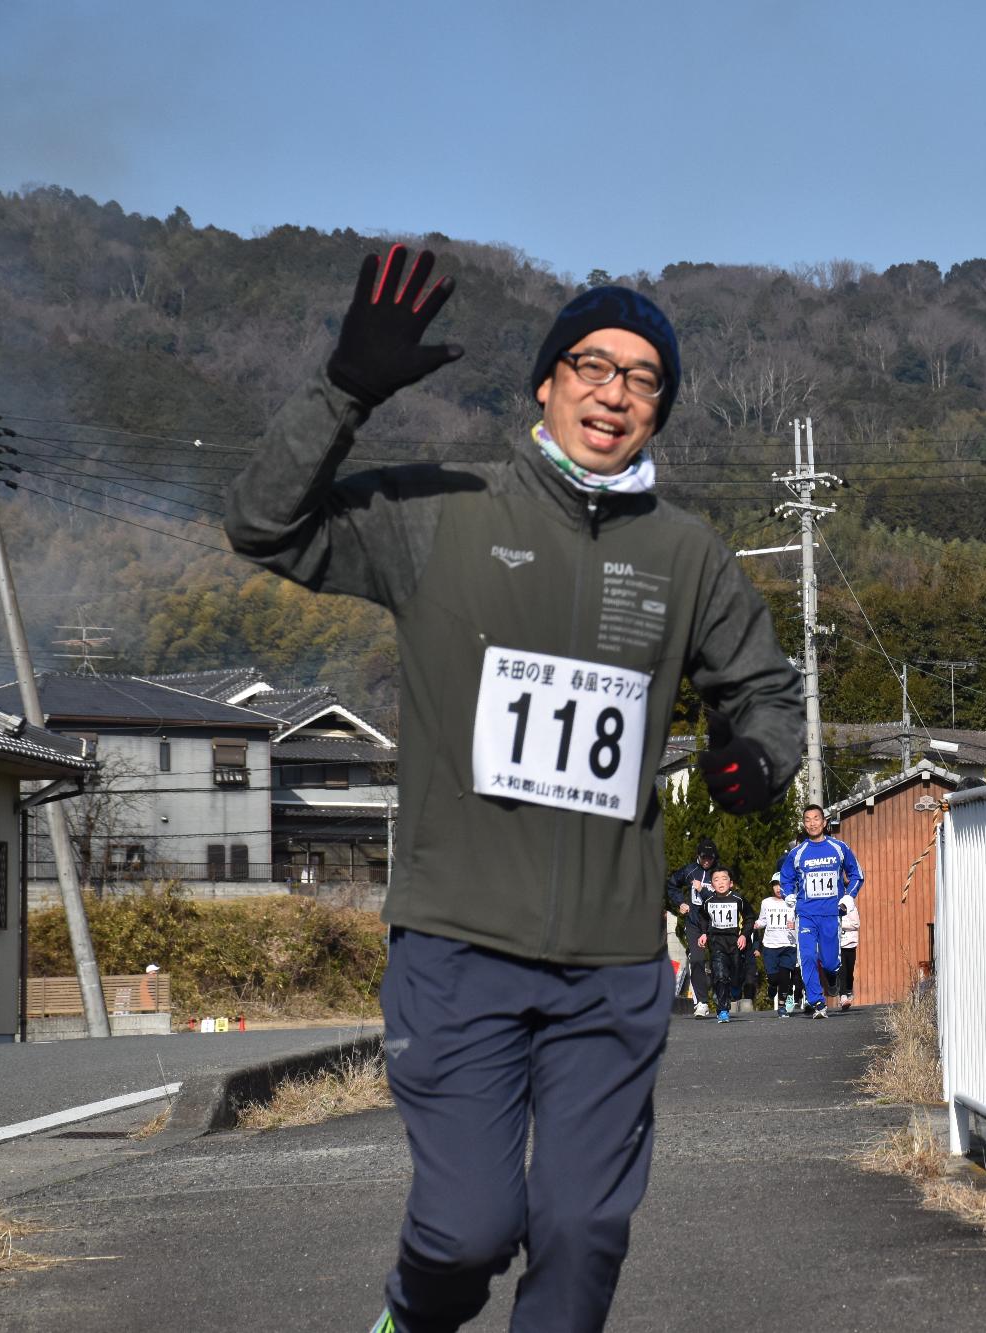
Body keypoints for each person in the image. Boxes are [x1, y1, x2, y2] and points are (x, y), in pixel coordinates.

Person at [225, 247, 802, 1333]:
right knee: (466, 1230)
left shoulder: (686, 557)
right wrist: (342, 392)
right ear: (545, 381)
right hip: (458, 947)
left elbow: (766, 697)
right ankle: (411, 1308)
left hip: (613, 967)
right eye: (591, 364)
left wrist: (753, 757)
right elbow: (263, 525)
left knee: (582, 1237)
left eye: (642, 378)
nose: (614, 390)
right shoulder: (442, 514)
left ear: (658, 411)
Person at [779, 806, 863, 1018]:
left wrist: (848, 897)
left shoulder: (839, 848)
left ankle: (832, 975)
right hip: (805, 914)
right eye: (808, 820)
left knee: (830, 962)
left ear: (824, 822)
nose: (812, 823)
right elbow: (785, 878)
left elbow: (856, 874)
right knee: (806, 957)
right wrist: (788, 895)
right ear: (804, 824)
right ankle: (817, 1002)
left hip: (831, 914)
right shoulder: (797, 853)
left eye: (816, 819)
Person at [669, 838, 720, 1017]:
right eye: (703, 857)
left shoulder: (719, 872)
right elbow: (672, 884)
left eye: (710, 857)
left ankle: (722, 998)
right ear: (698, 856)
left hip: (716, 923)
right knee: (697, 960)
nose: (707, 861)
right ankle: (702, 1003)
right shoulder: (690, 870)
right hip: (694, 923)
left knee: (720, 963)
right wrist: (680, 903)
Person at [695, 868, 750, 1023]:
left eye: (724, 878)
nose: (720, 882)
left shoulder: (738, 899)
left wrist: (744, 935)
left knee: (736, 974)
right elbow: (703, 918)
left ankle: (736, 987)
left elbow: (750, 917)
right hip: (716, 942)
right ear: (712, 885)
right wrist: (704, 933)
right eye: (716, 879)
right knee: (720, 975)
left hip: (735, 942)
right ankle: (723, 1010)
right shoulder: (708, 901)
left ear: (731, 883)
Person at [755, 872, 800, 1015]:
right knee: (774, 978)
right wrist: (757, 924)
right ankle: (772, 985)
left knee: (785, 978)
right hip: (770, 945)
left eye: (782, 884)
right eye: (775, 885)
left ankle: (782, 1007)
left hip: (789, 945)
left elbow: (800, 920)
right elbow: (763, 920)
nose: (778, 888)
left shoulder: (794, 902)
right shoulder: (766, 902)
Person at [835, 895, 860, 1010]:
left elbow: (856, 924)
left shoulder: (852, 908)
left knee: (849, 971)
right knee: (842, 971)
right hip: (839, 945)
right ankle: (843, 996)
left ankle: (849, 989)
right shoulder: (834, 907)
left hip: (850, 944)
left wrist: (841, 925)